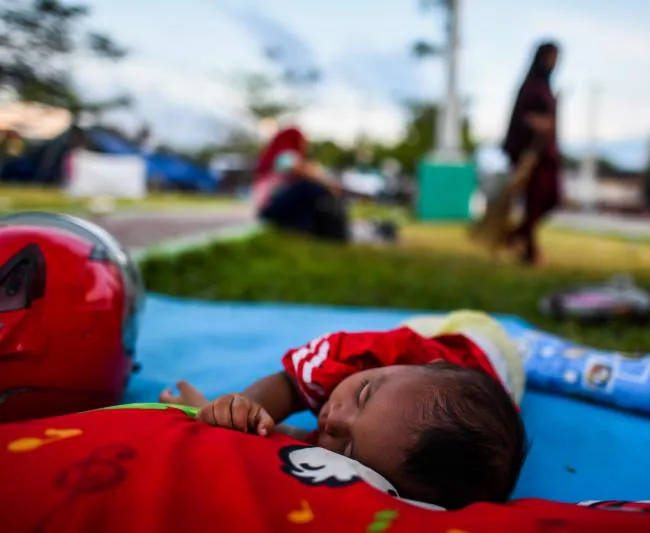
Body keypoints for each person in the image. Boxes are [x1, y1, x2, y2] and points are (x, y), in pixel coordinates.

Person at [160, 310, 528, 510]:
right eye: (363, 394)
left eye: (348, 448)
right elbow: (288, 384)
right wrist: (243, 407)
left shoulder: (386, 449)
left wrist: (256, 430)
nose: (333, 417)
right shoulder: (369, 357)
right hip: (471, 336)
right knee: (488, 333)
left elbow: (288, 443)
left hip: (494, 382)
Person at [501, 41, 562, 265]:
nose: (553, 63)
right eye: (550, 57)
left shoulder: (547, 87)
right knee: (534, 201)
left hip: (548, 154)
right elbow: (522, 116)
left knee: (551, 199)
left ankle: (516, 234)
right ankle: (529, 249)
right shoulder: (530, 87)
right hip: (531, 153)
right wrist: (536, 123)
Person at [253, 127, 348, 242]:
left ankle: (313, 231)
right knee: (310, 189)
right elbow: (304, 171)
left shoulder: (282, 157)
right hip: (271, 207)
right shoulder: (285, 156)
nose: (305, 144)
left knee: (312, 191)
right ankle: (329, 236)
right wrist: (329, 183)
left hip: (276, 206)